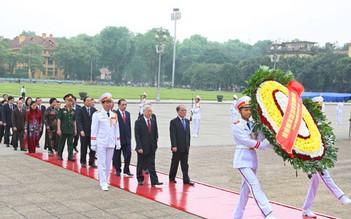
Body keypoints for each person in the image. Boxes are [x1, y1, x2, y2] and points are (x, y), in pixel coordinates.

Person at [302, 97, 351, 218]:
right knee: (324, 175)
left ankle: (306, 208)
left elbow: (327, 138)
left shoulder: (322, 121)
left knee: (315, 181)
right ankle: (340, 196)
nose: (318, 109)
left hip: (320, 154)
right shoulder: (306, 122)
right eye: (315, 107)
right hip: (311, 155)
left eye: (319, 107)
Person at [232, 96, 276, 219]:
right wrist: (267, 146)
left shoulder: (253, 125)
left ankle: (237, 216)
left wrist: (269, 134)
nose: (248, 112)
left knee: (245, 192)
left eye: (250, 109)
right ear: (240, 111)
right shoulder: (236, 125)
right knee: (255, 185)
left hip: (252, 160)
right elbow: (248, 142)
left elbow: (258, 139)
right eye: (245, 109)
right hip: (242, 161)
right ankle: (267, 213)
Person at [91, 93, 121, 191]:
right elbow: (94, 129)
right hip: (101, 141)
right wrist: (93, 142)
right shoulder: (97, 115)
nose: (109, 104)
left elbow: (116, 129)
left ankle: (105, 180)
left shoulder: (114, 115)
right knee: (102, 162)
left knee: (108, 163)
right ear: (102, 103)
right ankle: (103, 182)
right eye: (107, 102)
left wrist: (118, 141)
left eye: (110, 102)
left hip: (111, 142)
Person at [134, 105, 163, 187]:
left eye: (151, 111)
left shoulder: (153, 121)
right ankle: (140, 179)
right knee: (140, 164)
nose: (150, 113)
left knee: (151, 164)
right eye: (148, 111)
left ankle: (154, 181)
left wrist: (155, 145)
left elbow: (155, 134)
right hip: (142, 147)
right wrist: (139, 147)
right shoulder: (138, 122)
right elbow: (137, 135)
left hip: (151, 147)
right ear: (144, 112)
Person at [169, 105, 195, 186]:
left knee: (185, 164)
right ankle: (172, 177)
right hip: (177, 147)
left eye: (185, 110)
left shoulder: (187, 121)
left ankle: (186, 180)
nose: (184, 112)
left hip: (185, 147)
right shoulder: (174, 122)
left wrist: (188, 145)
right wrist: (174, 145)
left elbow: (188, 134)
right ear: (178, 111)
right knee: (175, 163)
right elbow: (172, 135)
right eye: (182, 110)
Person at [113, 99, 133, 177]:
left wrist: (130, 137)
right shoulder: (115, 114)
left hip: (127, 139)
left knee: (128, 154)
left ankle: (126, 169)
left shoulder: (127, 114)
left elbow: (129, 126)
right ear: (118, 105)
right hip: (118, 139)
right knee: (117, 155)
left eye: (125, 105)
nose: (124, 106)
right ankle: (118, 169)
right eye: (122, 105)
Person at [77, 96, 97, 168]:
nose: (89, 102)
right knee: (84, 148)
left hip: (92, 133)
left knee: (92, 148)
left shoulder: (94, 110)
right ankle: (83, 162)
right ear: (84, 102)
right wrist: (81, 130)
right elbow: (79, 121)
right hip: (84, 132)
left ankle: (91, 162)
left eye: (90, 101)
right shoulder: (80, 110)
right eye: (88, 101)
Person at [57, 94, 77, 161]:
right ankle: (59, 155)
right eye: (68, 101)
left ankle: (70, 156)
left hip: (71, 129)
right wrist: (59, 129)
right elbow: (59, 120)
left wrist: (75, 129)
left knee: (70, 144)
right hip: (63, 129)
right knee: (61, 143)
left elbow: (74, 120)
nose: (70, 102)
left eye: (71, 101)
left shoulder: (73, 110)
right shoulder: (62, 110)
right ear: (65, 101)